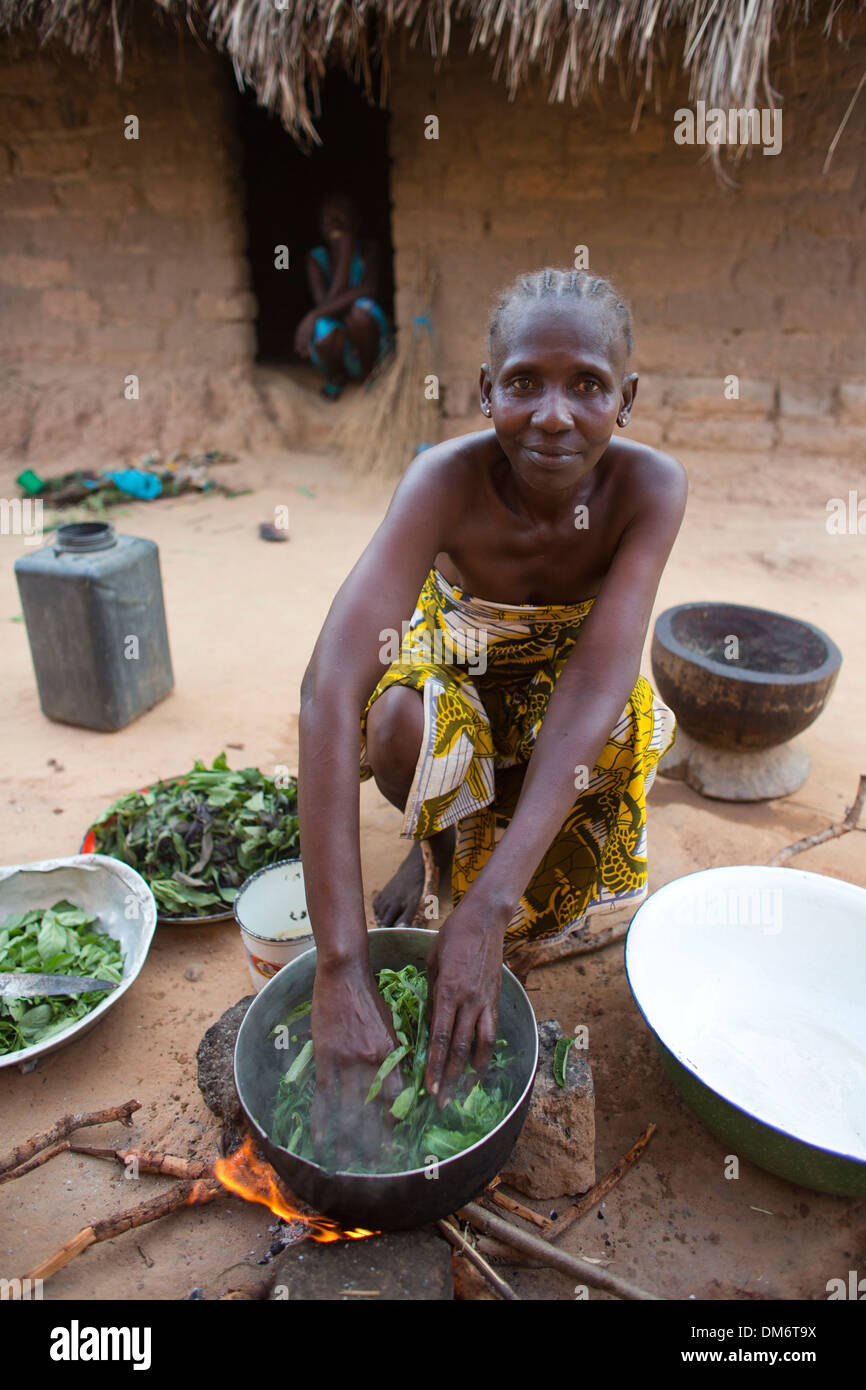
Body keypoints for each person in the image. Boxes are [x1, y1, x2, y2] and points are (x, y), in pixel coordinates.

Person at [298, 266, 687, 1162]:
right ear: (485, 391)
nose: (553, 414)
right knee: (397, 723)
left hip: (570, 678)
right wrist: (341, 963)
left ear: (625, 399)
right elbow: (330, 689)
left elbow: (595, 682)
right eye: (524, 383)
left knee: (624, 727)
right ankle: (433, 853)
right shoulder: (443, 480)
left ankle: (484, 892)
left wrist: (488, 910)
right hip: (461, 655)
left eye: (587, 384)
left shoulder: (650, 489)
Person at [294, 193, 394, 400]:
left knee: (361, 311)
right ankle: (337, 377)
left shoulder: (369, 250)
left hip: (371, 344)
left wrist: (312, 315)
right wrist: (344, 258)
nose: (334, 224)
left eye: (341, 218)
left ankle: (370, 374)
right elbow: (325, 305)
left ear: (356, 222)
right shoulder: (316, 258)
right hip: (340, 346)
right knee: (323, 328)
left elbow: (369, 289)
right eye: (327, 219)